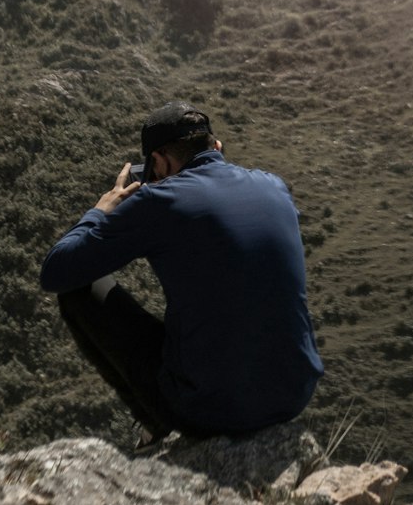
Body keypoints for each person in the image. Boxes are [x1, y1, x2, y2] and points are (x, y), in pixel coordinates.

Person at [40, 101, 324, 440]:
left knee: (79, 291)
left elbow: (56, 271)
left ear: (159, 161)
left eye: (154, 169)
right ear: (215, 147)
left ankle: (158, 425)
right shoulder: (274, 185)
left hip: (211, 411)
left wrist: (100, 212)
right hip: (294, 395)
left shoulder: (160, 200)